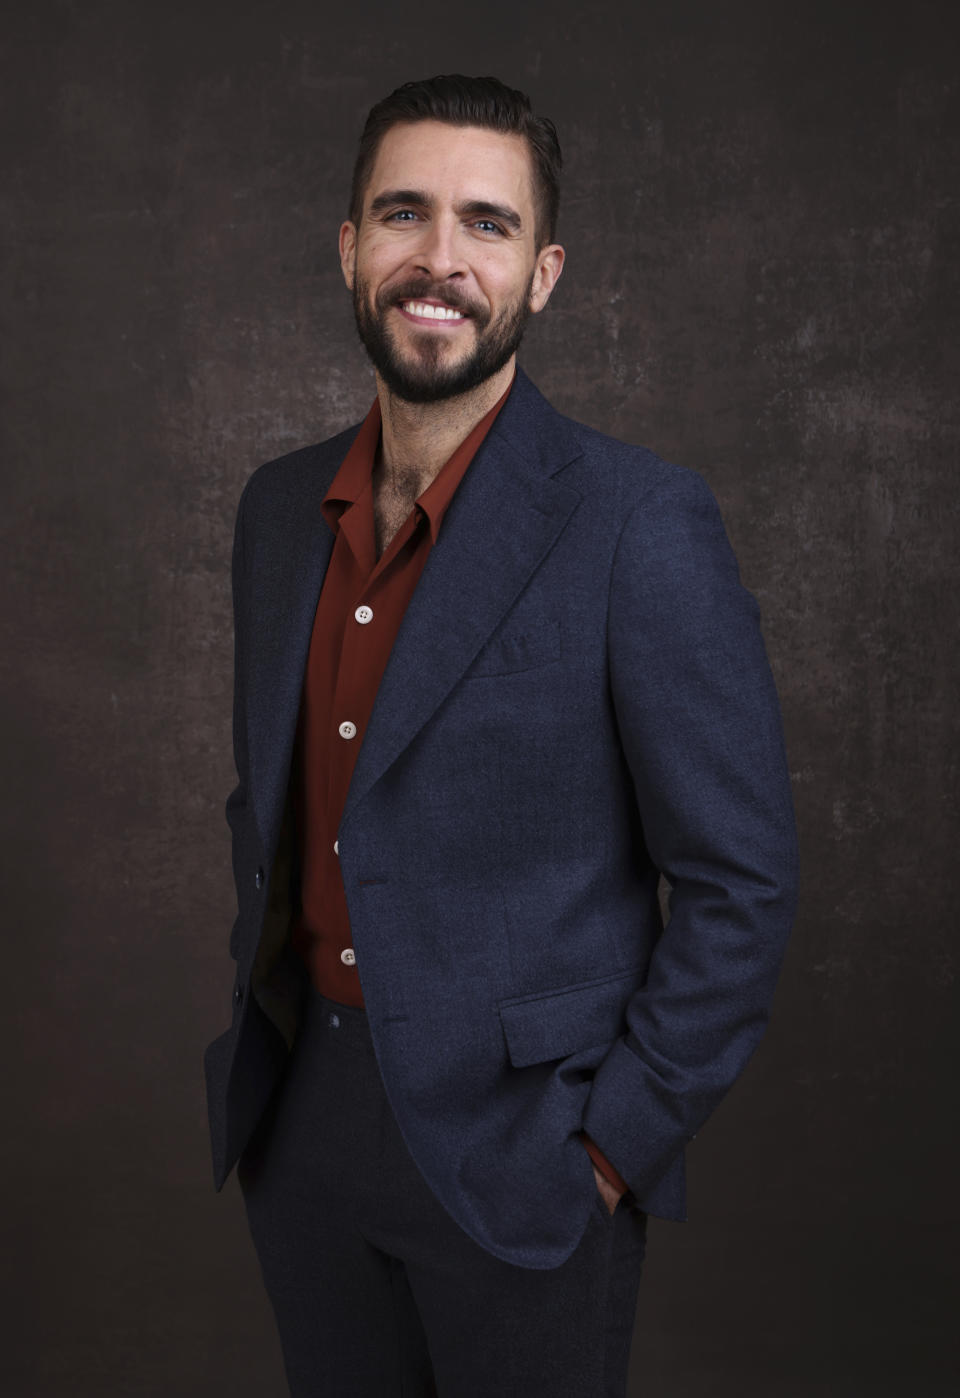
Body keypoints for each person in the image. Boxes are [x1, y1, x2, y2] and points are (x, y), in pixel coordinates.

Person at [204, 73, 798, 1398]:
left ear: (542, 274)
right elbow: (277, 806)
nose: (441, 258)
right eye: (405, 214)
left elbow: (740, 884)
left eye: (487, 223)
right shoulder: (276, 507)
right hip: (305, 1127)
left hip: (530, 1157)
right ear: (351, 247)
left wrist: (608, 1148)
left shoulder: (639, 524)